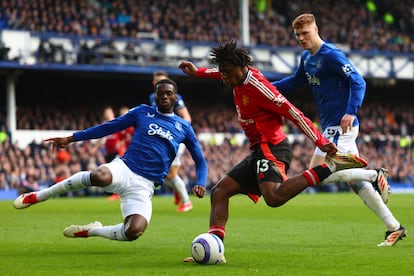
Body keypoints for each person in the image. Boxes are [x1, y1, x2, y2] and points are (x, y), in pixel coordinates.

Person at [178, 40, 368, 262]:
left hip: (273, 146)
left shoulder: (260, 88)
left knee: (274, 197)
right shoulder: (233, 74)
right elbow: (217, 72)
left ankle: (332, 166)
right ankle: (215, 250)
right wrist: (197, 71)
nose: (225, 78)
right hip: (259, 148)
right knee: (220, 192)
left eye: (228, 73)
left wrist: (320, 141)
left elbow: (294, 113)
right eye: (223, 73)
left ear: (241, 67)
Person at [13, 78, 208, 242]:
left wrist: (200, 182)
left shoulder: (184, 127)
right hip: (125, 168)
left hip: (145, 185)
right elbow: (108, 127)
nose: (164, 96)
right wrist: (72, 138)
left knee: (133, 232)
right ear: (155, 96)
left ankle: (92, 230)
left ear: (175, 97)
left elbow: (200, 160)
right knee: (100, 175)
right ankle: (41, 195)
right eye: (161, 93)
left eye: (169, 93)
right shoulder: (142, 112)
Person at [271, 13, 406, 247]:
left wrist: (351, 111)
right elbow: (295, 81)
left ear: (316, 30)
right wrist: (265, 87)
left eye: (305, 33)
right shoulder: (307, 58)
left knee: (316, 174)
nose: (302, 38)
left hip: (341, 126)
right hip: (329, 127)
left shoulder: (331, 55)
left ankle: (375, 175)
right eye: (297, 35)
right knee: (355, 184)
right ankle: (394, 227)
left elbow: (359, 81)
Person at [149, 70, 193, 212]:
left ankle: (187, 202)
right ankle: (177, 191)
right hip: (161, 138)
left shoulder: (176, 98)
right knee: (163, 171)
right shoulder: (152, 98)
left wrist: (177, 134)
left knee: (170, 174)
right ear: (153, 84)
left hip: (174, 138)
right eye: (158, 82)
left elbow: (187, 118)